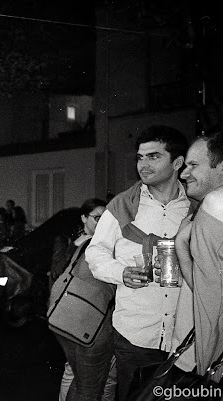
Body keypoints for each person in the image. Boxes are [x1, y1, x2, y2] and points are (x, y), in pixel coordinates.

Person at [85, 125, 192, 401]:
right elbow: (95, 254)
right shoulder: (122, 206)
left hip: (185, 336)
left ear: (177, 163)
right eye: (140, 157)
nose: (142, 165)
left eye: (153, 157)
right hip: (136, 336)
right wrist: (122, 273)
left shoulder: (196, 208)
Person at [50, 198, 117, 401]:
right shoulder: (74, 242)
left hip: (85, 318)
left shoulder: (105, 244)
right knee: (81, 378)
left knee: (83, 376)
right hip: (79, 319)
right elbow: (57, 272)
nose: (101, 222)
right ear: (83, 218)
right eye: (97, 217)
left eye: (105, 218)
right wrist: (77, 247)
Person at [174, 131, 223, 380]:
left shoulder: (214, 205)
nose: (183, 174)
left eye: (193, 165)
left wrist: (181, 244)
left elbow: (209, 294)